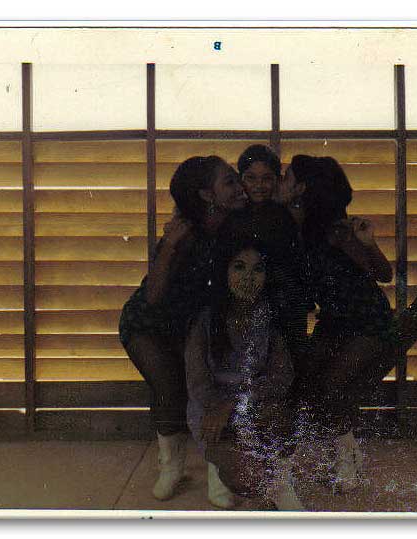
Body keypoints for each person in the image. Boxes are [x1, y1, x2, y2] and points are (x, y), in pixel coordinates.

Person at [118, 156, 247, 504]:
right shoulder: (184, 233)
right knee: (169, 389)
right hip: (149, 324)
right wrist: (171, 245)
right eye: (229, 182)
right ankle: (171, 467)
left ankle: (219, 473)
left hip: (197, 325)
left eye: (237, 179)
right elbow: (153, 296)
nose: (240, 188)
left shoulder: (238, 224)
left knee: (212, 389)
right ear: (207, 195)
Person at [286, 155, 396, 493]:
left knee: (332, 384)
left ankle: (347, 460)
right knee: (309, 380)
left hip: (366, 320)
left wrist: (367, 242)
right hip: (334, 320)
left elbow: (384, 274)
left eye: (287, 176)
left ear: (302, 188)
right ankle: (347, 453)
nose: (281, 181)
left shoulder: (338, 231)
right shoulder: (296, 226)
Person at [185, 238, 304, 510]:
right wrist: (221, 408)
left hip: (252, 404)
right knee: (244, 476)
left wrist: (235, 403)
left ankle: (280, 487)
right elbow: (198, 382)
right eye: (239, 267)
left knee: (282, 422)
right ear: (224, 272)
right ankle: (221, 468)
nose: (248, 277)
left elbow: (282, 376)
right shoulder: (205, 320)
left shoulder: (270, 317)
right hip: (213, 410)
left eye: (257, 269)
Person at [218, 145, 313, 364]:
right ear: (241, 179)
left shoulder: (288, 212)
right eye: (250, 178)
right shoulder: (234, 213)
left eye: (267, 179)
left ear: (277, 180)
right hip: (245, 300)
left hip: (285, 302)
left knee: (286, 361)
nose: (258, 186)